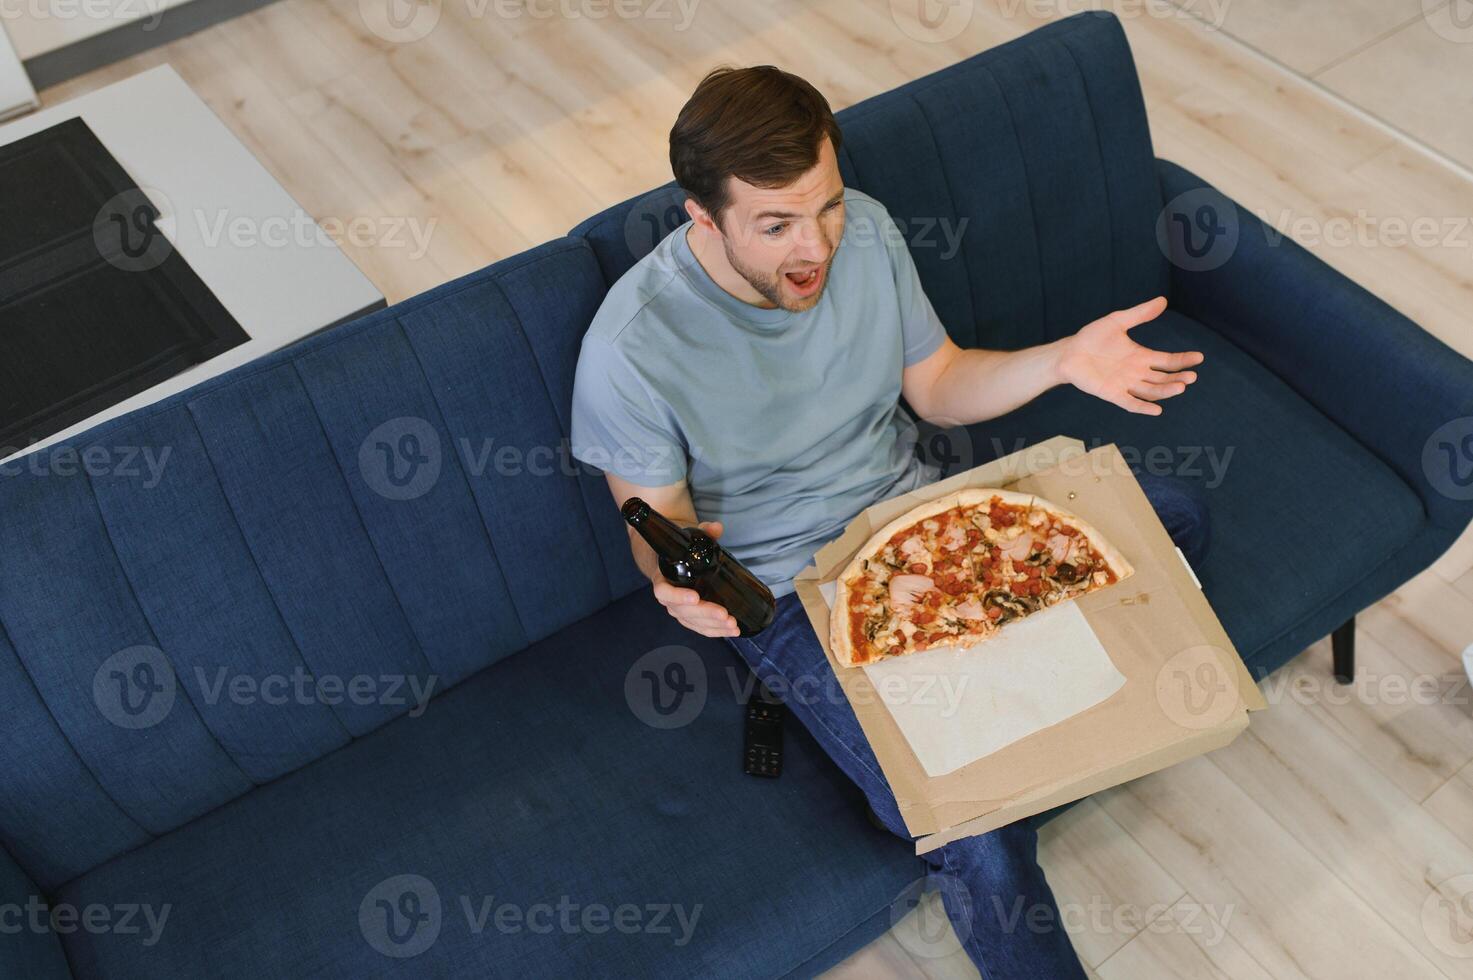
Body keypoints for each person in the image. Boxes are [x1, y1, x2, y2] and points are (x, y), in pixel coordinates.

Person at [570, 64, 1209, 979]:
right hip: (793, 591)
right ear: (700, 217)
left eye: (824, 206)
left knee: (1172, 519)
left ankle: (1034, 721)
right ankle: (981, 767)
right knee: (970, 826)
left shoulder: (863, 230)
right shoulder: (630, 349)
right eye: (777, 224)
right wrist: (677, 581)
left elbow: (939, 385)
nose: (815, 245)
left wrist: (1063, 360)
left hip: (923, 518)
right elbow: (655, 525)